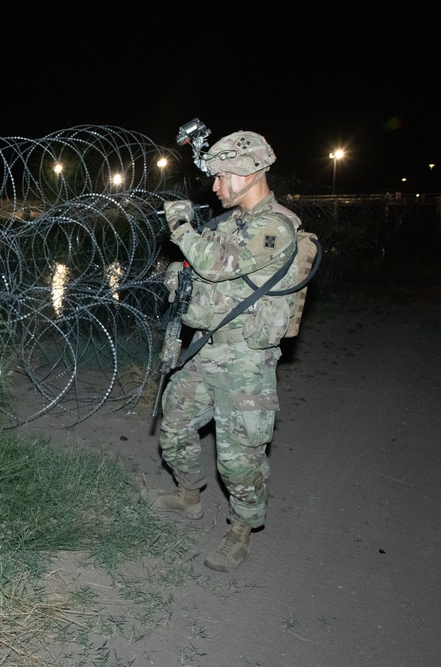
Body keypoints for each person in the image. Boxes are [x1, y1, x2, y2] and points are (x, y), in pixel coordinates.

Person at [143, 130, 302, 572]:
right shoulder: (231, 222)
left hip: (245, 364)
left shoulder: (276, 226)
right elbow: (202, 269)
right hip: (204, 349)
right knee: (173, 428)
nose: (213, 187)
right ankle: (189, 495)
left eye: (221, 177)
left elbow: (216, 263)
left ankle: (240, 530)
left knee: (239, 459)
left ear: (250, 174)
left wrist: (179, 225)